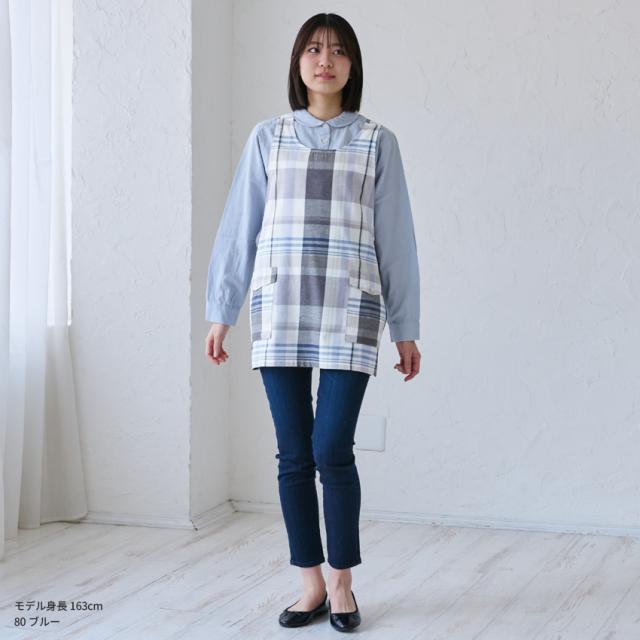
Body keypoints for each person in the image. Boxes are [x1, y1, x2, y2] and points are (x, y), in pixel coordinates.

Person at [204, 12, 421, 632]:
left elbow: (396, 239)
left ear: (353, 66)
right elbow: (239, 227)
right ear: (298, 62)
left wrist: (405, 326)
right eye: (314, 49)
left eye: (339, 50)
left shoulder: (378, 142)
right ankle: (311, 583)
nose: (326, 60)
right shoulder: (267, 138)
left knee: (332, 449)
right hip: (280, 310)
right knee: (294, 455)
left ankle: (344, 581)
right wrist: (222, 310)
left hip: (351, 310)